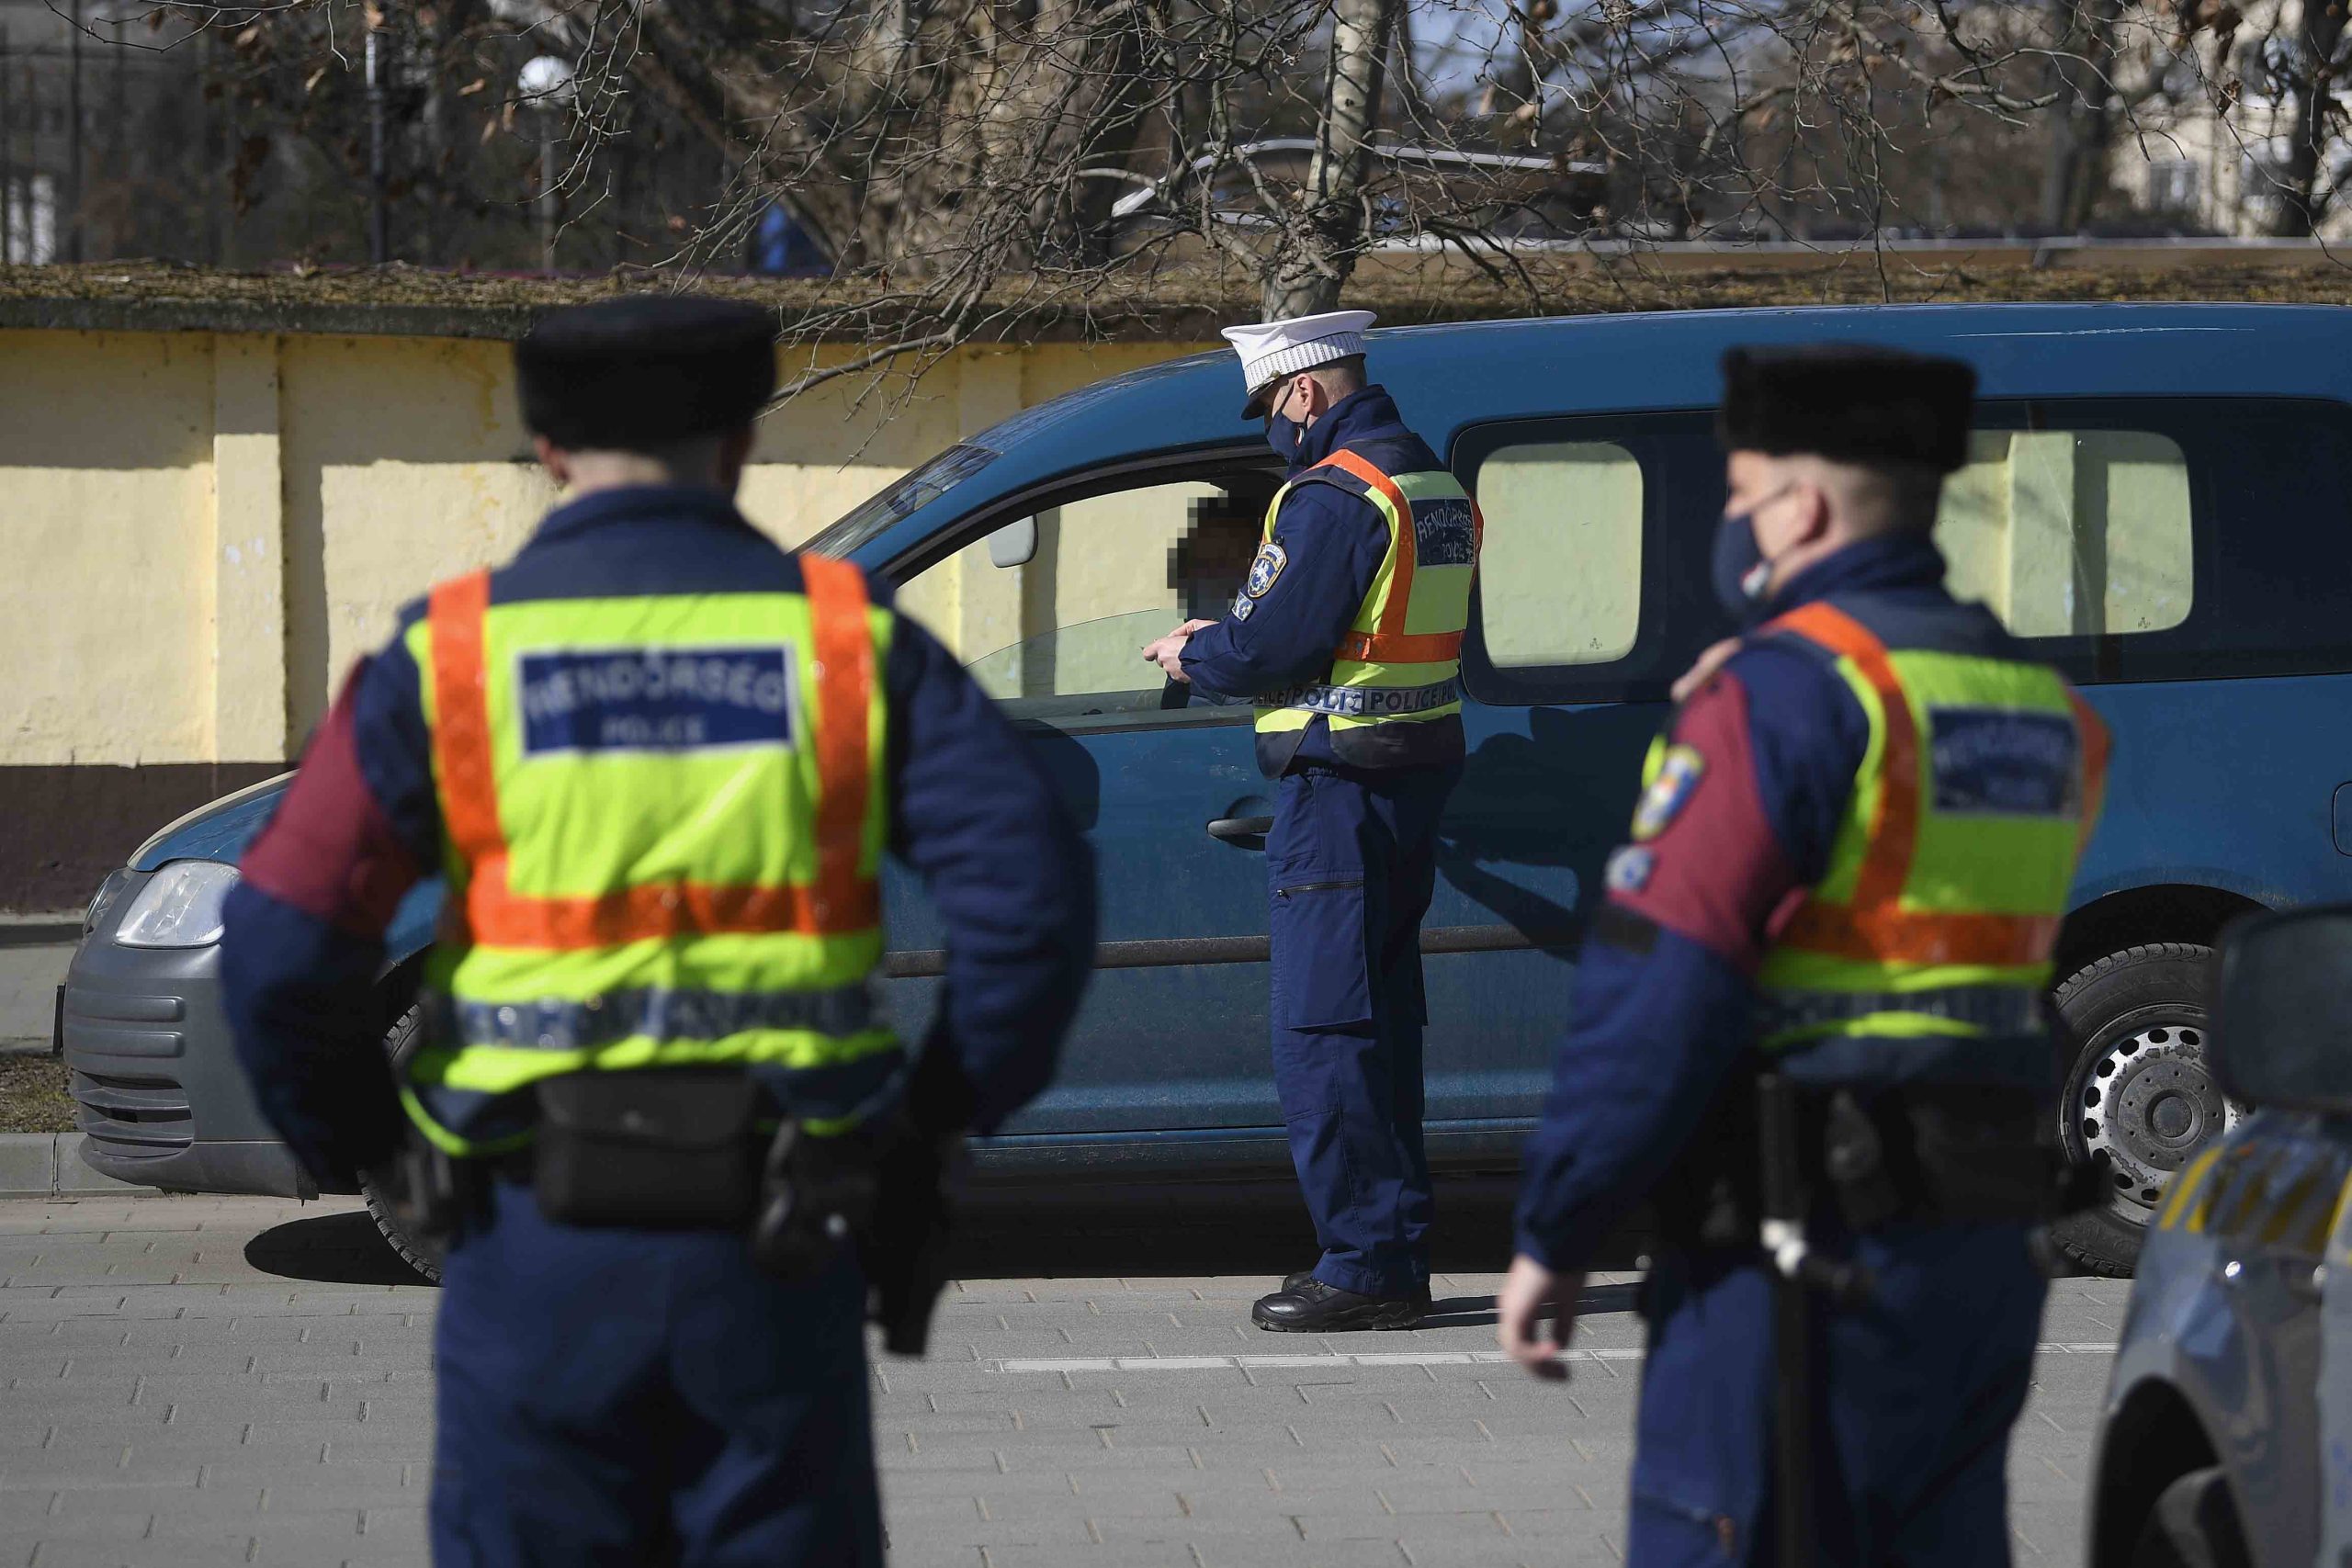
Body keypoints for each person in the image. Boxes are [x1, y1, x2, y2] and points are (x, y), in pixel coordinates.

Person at [217, 296, 1095, 1566]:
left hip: (530, 1251)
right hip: (776, 1252)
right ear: (740, 442)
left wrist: (370, 1143)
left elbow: (276, 945)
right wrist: (928, 1128)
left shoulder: (451, 659)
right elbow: (1034, 907)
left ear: (548, 450)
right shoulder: (847, 645)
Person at [1496, 344, 2109, 1564]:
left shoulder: (1788, 694)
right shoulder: (2035, 698)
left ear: (1803, 505)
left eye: (1741, 491)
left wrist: (1558, 1226)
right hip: (1982, 1252)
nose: (1730, 520)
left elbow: (1659, 988)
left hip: (1804, 1251)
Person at [1142, 310, 1480, 1331]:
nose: (1268, 432)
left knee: (1324, 1030)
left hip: (1336, 793)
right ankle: (1389, 1252)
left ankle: (1365, 1266)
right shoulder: (1424, 479)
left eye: (1267, 407)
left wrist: (1194, 653)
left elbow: (1266, 648)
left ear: (1303, 392)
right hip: (1408, 777)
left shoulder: (1332, 495)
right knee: (1379, 1028)